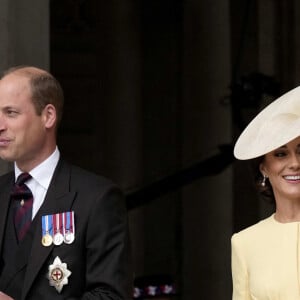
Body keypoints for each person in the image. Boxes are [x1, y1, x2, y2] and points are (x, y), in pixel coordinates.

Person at [0, 66, 132, 299]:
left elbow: (110, 296)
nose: (0, 125)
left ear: (48, 116)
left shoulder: (96, 198)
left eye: (11, 113)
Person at [231, 85, 300, 299]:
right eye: (281, 154)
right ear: (264, 169)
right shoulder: (245, 243)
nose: (295, 163)